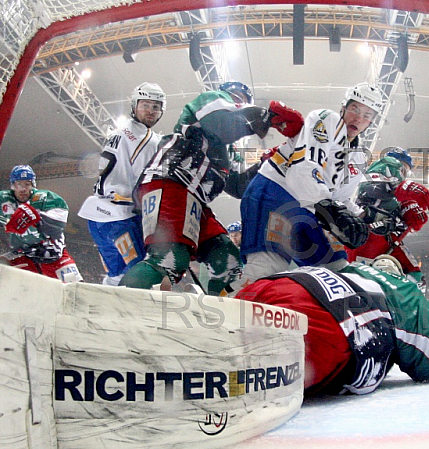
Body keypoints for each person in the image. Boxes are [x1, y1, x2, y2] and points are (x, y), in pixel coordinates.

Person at [120, 81, 303, 294]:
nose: (238, 104)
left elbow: (237, 186)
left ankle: (220, 318)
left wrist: (271, 160)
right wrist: (264, 116)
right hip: (170, 184)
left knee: (227, 261)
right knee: (169, 258)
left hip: (192, 199)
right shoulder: (208, 102)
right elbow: (220, 122)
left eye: (243, 102)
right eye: (235, 99)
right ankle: (108, 311)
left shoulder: (227, 151)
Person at [236, 254, 429, 395]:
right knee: (254, 373)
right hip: (323, 321)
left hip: (274, 284)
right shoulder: (406, 289)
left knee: (227, 335)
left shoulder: (348, 269)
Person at [239, 82, 384, 285]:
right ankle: (217, 310)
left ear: (371, 123)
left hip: (308, 209)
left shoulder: (359, 159)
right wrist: (332, 211)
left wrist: (365, 216)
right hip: (274, 194)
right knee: (265, 272)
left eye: (367, 115)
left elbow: (339, 198)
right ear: (343, 107)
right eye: (355, 109)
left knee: (337, 273)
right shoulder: (327, 119)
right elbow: (304, 168)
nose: (359, 118)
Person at [78, 82, 166, 285]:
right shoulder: (147, 138)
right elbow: (148, 181)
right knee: (141, 274)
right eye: (145, 105)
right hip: (120, 218)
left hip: (98, 217)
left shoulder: (122, 131)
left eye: (155, 106)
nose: (150, 111)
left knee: (116, 277)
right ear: (134, 105)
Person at [346, 147, 429, 289]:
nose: (403, 174)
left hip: (385, 240)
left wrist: (410, 214)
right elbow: (372, 187)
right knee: (360, 282)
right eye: (403, 169)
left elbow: (401, 222)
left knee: (416, 280)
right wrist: (401, 188)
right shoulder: (385, 166)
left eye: (406, 171)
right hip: (367, 234)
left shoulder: (396, 198)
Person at [0, 165, 82, 282]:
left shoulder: (45, 198)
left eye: (27, 184)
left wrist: (37, 220)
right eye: (19, 184)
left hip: (53, 256)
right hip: (24, 255)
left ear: (32, 184)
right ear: (13, 185)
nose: (23, 189)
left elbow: (58, 222)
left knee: (77, 291)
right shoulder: (3, 199)